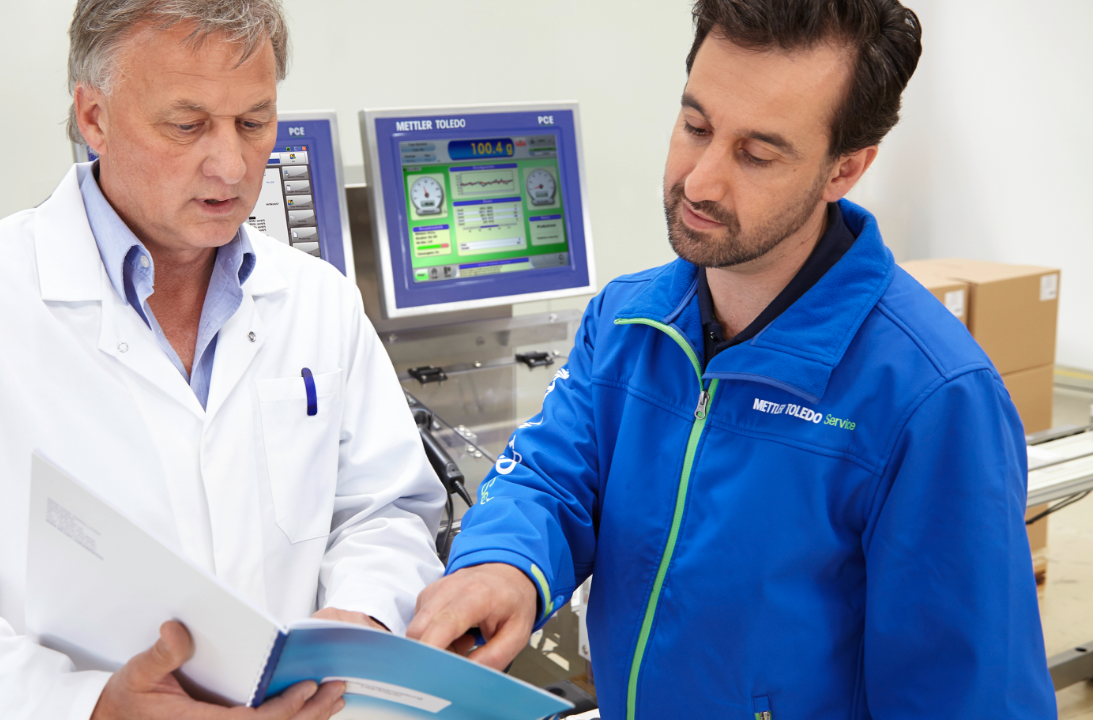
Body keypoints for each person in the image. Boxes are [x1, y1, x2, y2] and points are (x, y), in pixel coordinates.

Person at [408, 1, 1057, 718]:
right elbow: (550, 480)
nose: (700, 182)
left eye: (756, 153)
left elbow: (971, 699)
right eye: (696, 126)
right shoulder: (627, 321)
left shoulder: (931, 401)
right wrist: (505, 566)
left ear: (845, 168)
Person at [0, 1, 445, 719]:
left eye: (254, 121)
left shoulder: (317, 300)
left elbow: (385, 509)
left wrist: (359, 619)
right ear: (94, 118)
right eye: (187, 125)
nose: (232, 164)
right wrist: (85, 707)